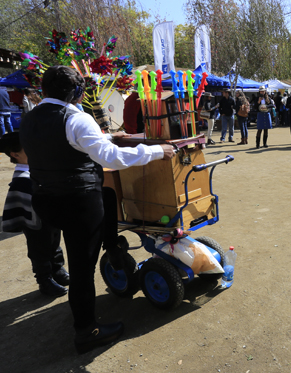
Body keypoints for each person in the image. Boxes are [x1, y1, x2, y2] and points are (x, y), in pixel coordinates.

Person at [19, 65, 176, 354]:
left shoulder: (29, 117)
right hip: (76, 202)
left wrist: (104, 138)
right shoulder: (77, 119)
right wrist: (157, 151)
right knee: (82, 269)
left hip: (45, 199)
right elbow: (112, 159)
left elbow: (67, 145)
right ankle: (86, 331)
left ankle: (112, 247)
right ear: (77, 92)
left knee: (105, 195)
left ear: (43, 90)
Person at [0, 132, 70, 297]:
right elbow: (23, 202)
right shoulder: (21, 179)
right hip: (34, 222)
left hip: (49, 217)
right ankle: (44, 280)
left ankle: (57, 270)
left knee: (54, 243)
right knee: (39, 249)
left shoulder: (39, 168)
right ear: (15, 154)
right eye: (28, 148)